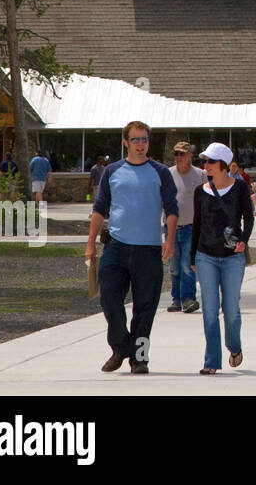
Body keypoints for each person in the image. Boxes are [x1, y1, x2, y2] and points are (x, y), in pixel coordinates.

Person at [85, 120, 179, 375]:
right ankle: (120, 346)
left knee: (145, 307)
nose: (140, 144)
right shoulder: (112, 171)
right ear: (126, 142)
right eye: (136, 139)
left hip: (148, 249)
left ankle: (139, 358)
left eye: (145, 139)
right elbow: (99, 209)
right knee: (109, 300)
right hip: (115, 247)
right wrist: (90, 243)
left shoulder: (160, 172)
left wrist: (169, 240)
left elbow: (172, 209)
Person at [189, 143, 253, 374]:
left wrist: (244, 239)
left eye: (210, 162)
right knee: (209, 309)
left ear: (223, 166)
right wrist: (192, 257)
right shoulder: (200, 191)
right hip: (205, 255)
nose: (205, 166)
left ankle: (234, 347)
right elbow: (197, 225)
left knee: (231, 309)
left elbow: (249, 217)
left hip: (232, 257)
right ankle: (211, 361)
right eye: (204, 161)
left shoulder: (240, 188)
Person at [166, 142, 205, 314]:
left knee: (187, 265)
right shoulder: (168, 174)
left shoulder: (200, 175)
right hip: (171, 227)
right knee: (174, 265)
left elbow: (206, 200)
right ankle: (176, 299)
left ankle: (189, 299)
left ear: (190, 155)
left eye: (182, 154)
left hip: (192, 227)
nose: (179, 157)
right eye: (176, 154)